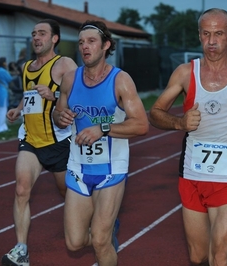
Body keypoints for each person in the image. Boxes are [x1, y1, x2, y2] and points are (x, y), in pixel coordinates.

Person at [148, 8, 227, 266]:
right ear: (199, 35)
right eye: (206, 34)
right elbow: (155, 113)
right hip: (193, 173)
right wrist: (179, 122)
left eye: (218, 34)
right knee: (198, 256)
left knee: (219, 254)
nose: (212, 41)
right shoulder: (184, 73)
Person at [52, 20, 149, 266]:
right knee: (74, 242)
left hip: (111, 168)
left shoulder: (121, 80)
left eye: (91, 41)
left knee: (99, 241)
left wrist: (103, 129)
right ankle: (104, 234)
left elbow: (141, 124)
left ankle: (104, 236)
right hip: (78, 167)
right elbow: (58, 114)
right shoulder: (70, 80)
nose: (85, 47)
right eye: (81, 42)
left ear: (106, 45)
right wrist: (59, 117)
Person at [1, 19, 78, 266]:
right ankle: (21, 249)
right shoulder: (26, 67)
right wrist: (18, 109)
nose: (36, 37)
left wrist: (54, 95)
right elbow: (30, 97)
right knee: (21, 190)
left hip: (58, 142)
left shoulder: (64, 64)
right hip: (31, 140)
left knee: (69, 195)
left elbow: (80, 95)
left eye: (42, 33)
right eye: (34, 33)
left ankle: (95, 227)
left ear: (54, 38)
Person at [0, 57, 13, 133]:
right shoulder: (3, 71)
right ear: (3, 63)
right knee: (2, 110)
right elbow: (10, 79)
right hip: (3, 91)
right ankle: (0, 127)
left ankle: (3, 126)